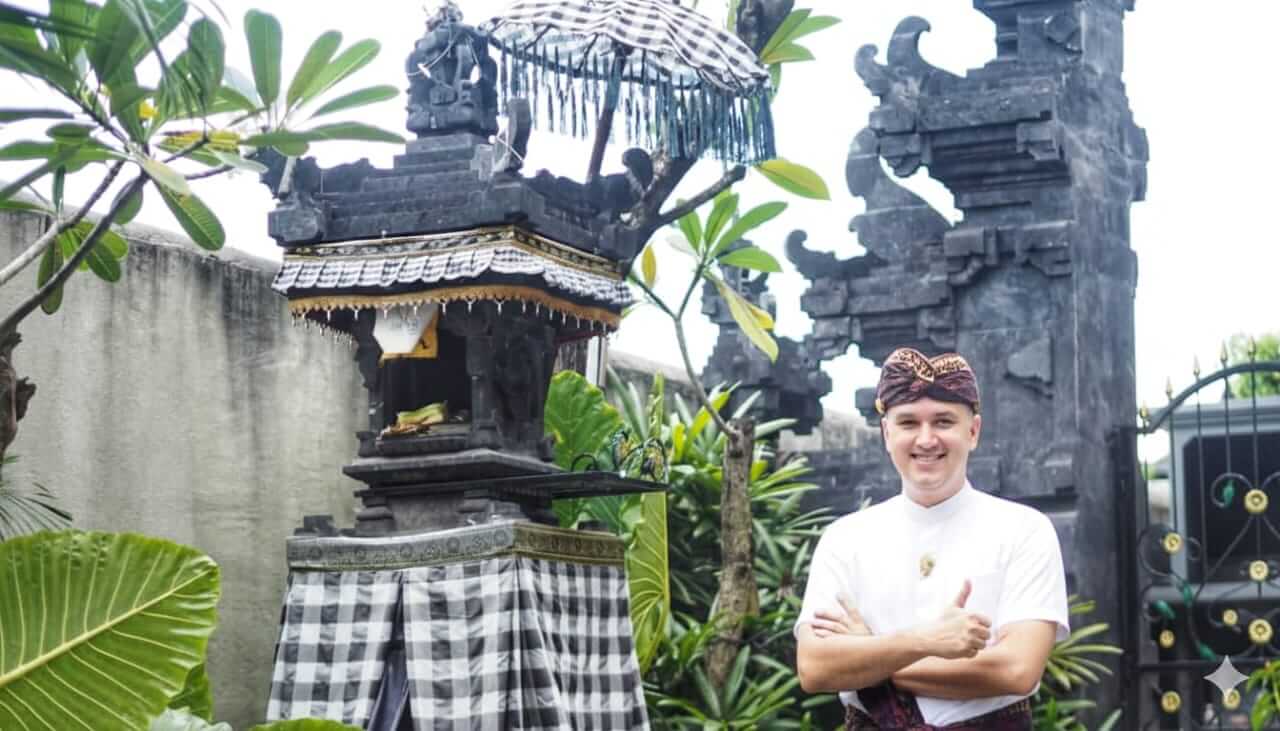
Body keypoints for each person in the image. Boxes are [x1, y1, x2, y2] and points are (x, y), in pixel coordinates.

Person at [795, 347, 1069, 730]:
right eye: (908, 423)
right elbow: (815, 667)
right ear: (887, 433)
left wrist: (870, 653)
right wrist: (926, 640)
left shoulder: (1024, 530)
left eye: (943, 421)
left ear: (972, 431)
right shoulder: (845, 539)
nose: (926, 440)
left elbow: (1016, 670)